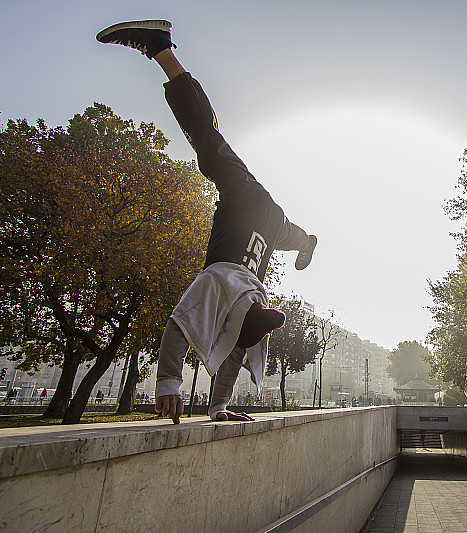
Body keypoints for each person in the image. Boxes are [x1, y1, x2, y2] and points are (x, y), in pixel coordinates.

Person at [97, 20, 317, 424]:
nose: (228, 334)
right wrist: (168, 383)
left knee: (288, 235)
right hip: (247, 202)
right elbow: (178, 328)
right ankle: (160, 48)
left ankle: (307, 242)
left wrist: (218, 409)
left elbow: (236, 354)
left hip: (271, 225)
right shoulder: (218, 286)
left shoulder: (253, 308)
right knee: (206, 140)